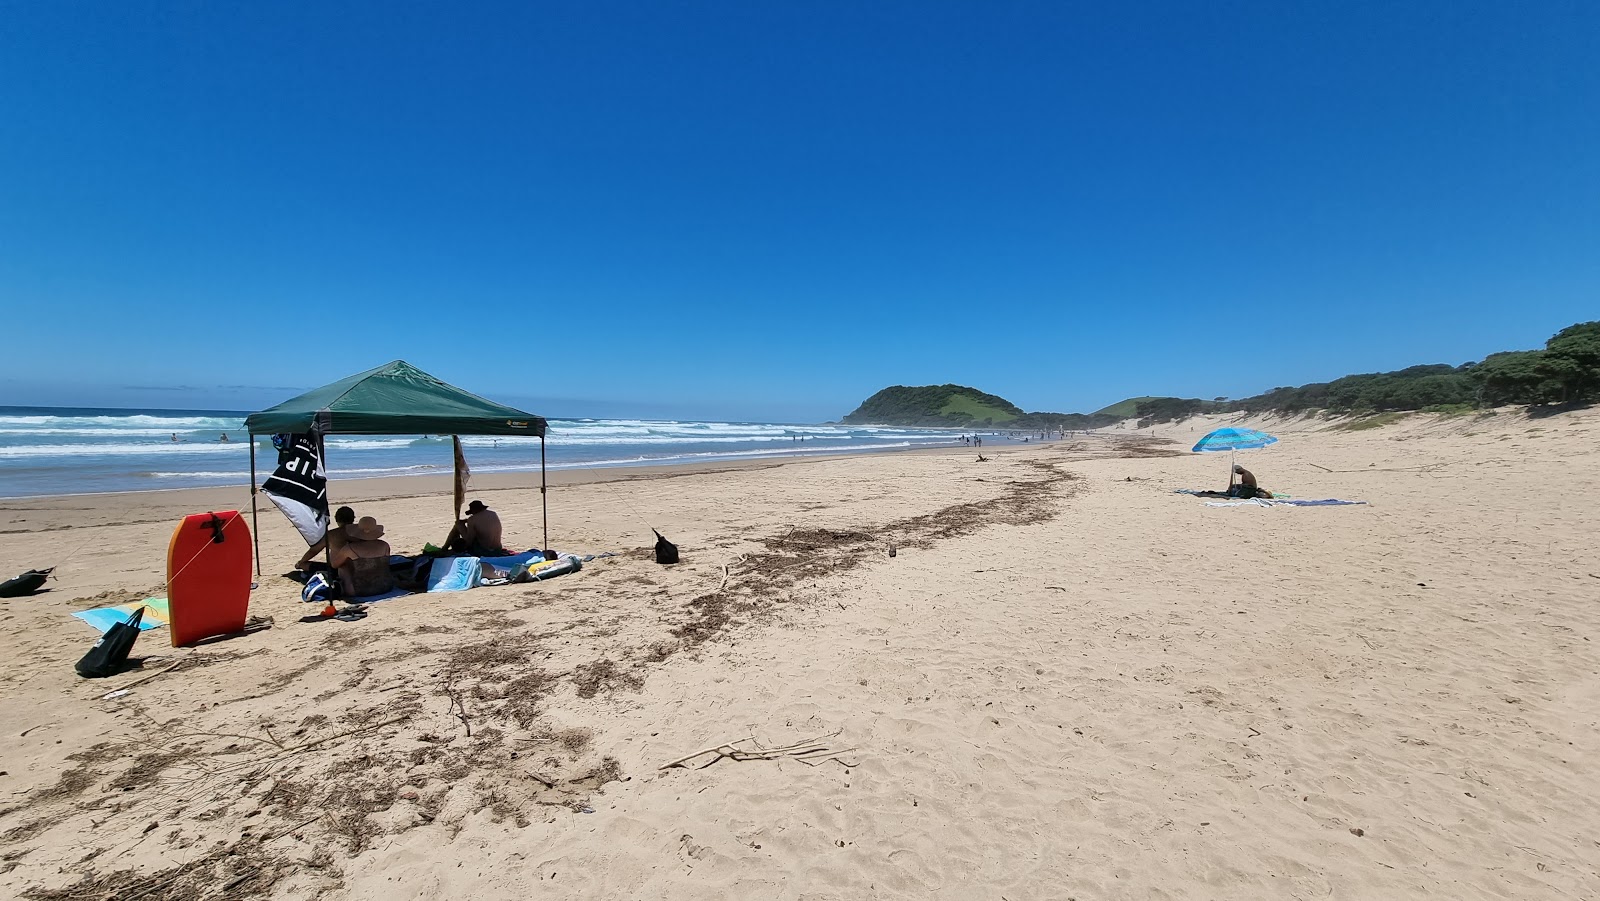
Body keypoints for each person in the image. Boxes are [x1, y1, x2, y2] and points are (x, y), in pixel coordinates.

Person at [330, 516, 395, 597]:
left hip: (359, 591)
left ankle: (347, 586)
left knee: (343, 567)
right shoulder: (384, 545)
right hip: (385, 587)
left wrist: (334, 550)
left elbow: (334, 565)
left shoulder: (350, 548)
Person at [297, 506, 356, 571]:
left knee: (304, 565)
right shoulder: (362, 532)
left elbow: (314, 550)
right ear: (353, 518)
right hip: (359, 568)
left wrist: (301, 561)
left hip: (337, 569)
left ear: (336, 519)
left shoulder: (331, 534)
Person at [444, 500, 508, 556]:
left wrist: (461, 525)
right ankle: (446, 547)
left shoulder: (472, 519)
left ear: (474, 510)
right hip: (497, 550)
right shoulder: (493, 514)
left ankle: (445, 548)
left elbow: (469, 541)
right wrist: (466, 521)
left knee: (458, 525)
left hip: (484, 551)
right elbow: (483, 521)